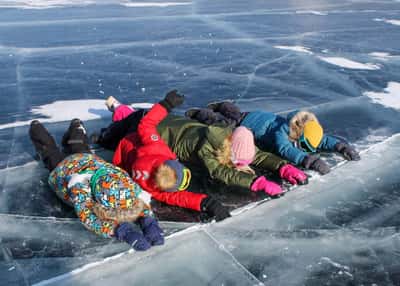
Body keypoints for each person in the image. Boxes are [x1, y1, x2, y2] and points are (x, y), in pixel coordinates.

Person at [93, 96, 308, 202]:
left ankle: (122, 110)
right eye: (239, 162)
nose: (244, 165)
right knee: (112, 135)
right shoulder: (208, 147)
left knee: (132, 115)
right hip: (146, 129)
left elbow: (255, 155)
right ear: (229, 150)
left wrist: (283, 167)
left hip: (169, 122)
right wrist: (256, 182)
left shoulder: (232, 139)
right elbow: (219, 171)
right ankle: (117, 109)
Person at [29, 118, 164, 251]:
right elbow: (87, 216)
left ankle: (76, 127)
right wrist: (120, 230)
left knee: (80, 147)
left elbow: (136, 199)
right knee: (51, 154)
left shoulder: (125, 184)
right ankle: (38, 130)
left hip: (88, 162)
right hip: (64, 170)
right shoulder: (80, 187)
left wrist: (147, 220)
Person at [111, 90, 231, 222]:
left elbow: (146, 125)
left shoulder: (156, 148)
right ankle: (113, 122)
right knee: (118, 128)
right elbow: (178, 198)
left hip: (131, 141)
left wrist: (166, 104)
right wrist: (204, 202)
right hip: (122, 153)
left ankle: (118, 111)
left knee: (134, 118)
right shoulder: (153, 188)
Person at [185, 101, 360, 175]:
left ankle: (223, 105)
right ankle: (203, 113)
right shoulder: (281, 133)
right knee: (223, 122)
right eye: (303, 145)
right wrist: (309, 161)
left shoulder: (301, 128)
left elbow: (322, 140)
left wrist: (341, 147)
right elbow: (285, 149)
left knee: (234, 112)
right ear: (297, 134)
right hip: (246, 123)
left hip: (257, 115)